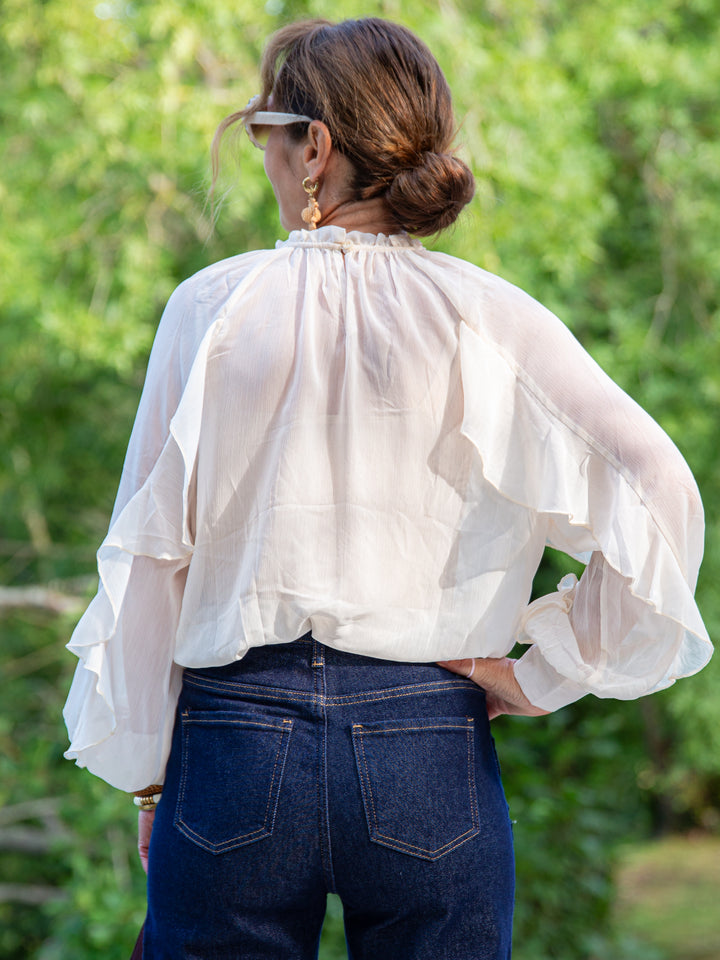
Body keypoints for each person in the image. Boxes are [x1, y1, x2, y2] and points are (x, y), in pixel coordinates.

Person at [63, 17, 712, 960]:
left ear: (316, 148)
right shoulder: (489, 318)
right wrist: (542, 673)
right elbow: (656, 486)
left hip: (235, 747)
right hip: (428, 742)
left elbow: (150, 561)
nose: (265, 160)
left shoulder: (211, 308)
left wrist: (151, 780)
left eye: (265, 134)